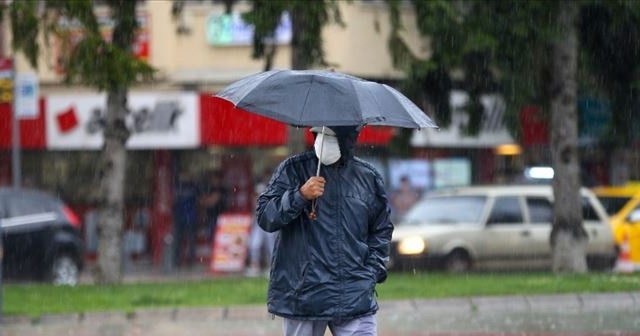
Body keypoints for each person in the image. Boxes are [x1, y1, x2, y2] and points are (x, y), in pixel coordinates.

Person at [256, 126, 393, 336]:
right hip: (303, 295)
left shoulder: (367, 177)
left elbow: (381, 229)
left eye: (329, 136)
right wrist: (300, 195)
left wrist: (371, 272)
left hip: (354, 294)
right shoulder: (293, 170)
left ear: (347, 138)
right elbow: (266, 216)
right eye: (319, 134)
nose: (322, 141)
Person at [245, 171, 277, 277]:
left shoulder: (271, 198)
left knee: (271, 247)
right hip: (258, 225)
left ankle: (272, 268)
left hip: (269, 225)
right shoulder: (255, 201)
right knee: (254, 245)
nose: (258, 196)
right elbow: (254, 214)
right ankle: (255, 266)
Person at [173, 171, 200, 267]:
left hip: (186, 216)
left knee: (185, 240)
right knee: (183, 240)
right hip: (185, 216)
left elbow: (174, 199)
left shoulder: (180, 187)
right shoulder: (192, 187)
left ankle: (182, 260)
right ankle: (182, 260)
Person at [200, 169, 227, 247]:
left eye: (214, 178)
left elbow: (210, 201)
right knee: (211, 236)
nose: (213, 180)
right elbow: (202, 201)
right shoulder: (209, 188)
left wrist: (207, 200)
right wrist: (207, 200)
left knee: (219, 237)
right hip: (210, 215)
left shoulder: (221, 189)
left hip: (219, 216)